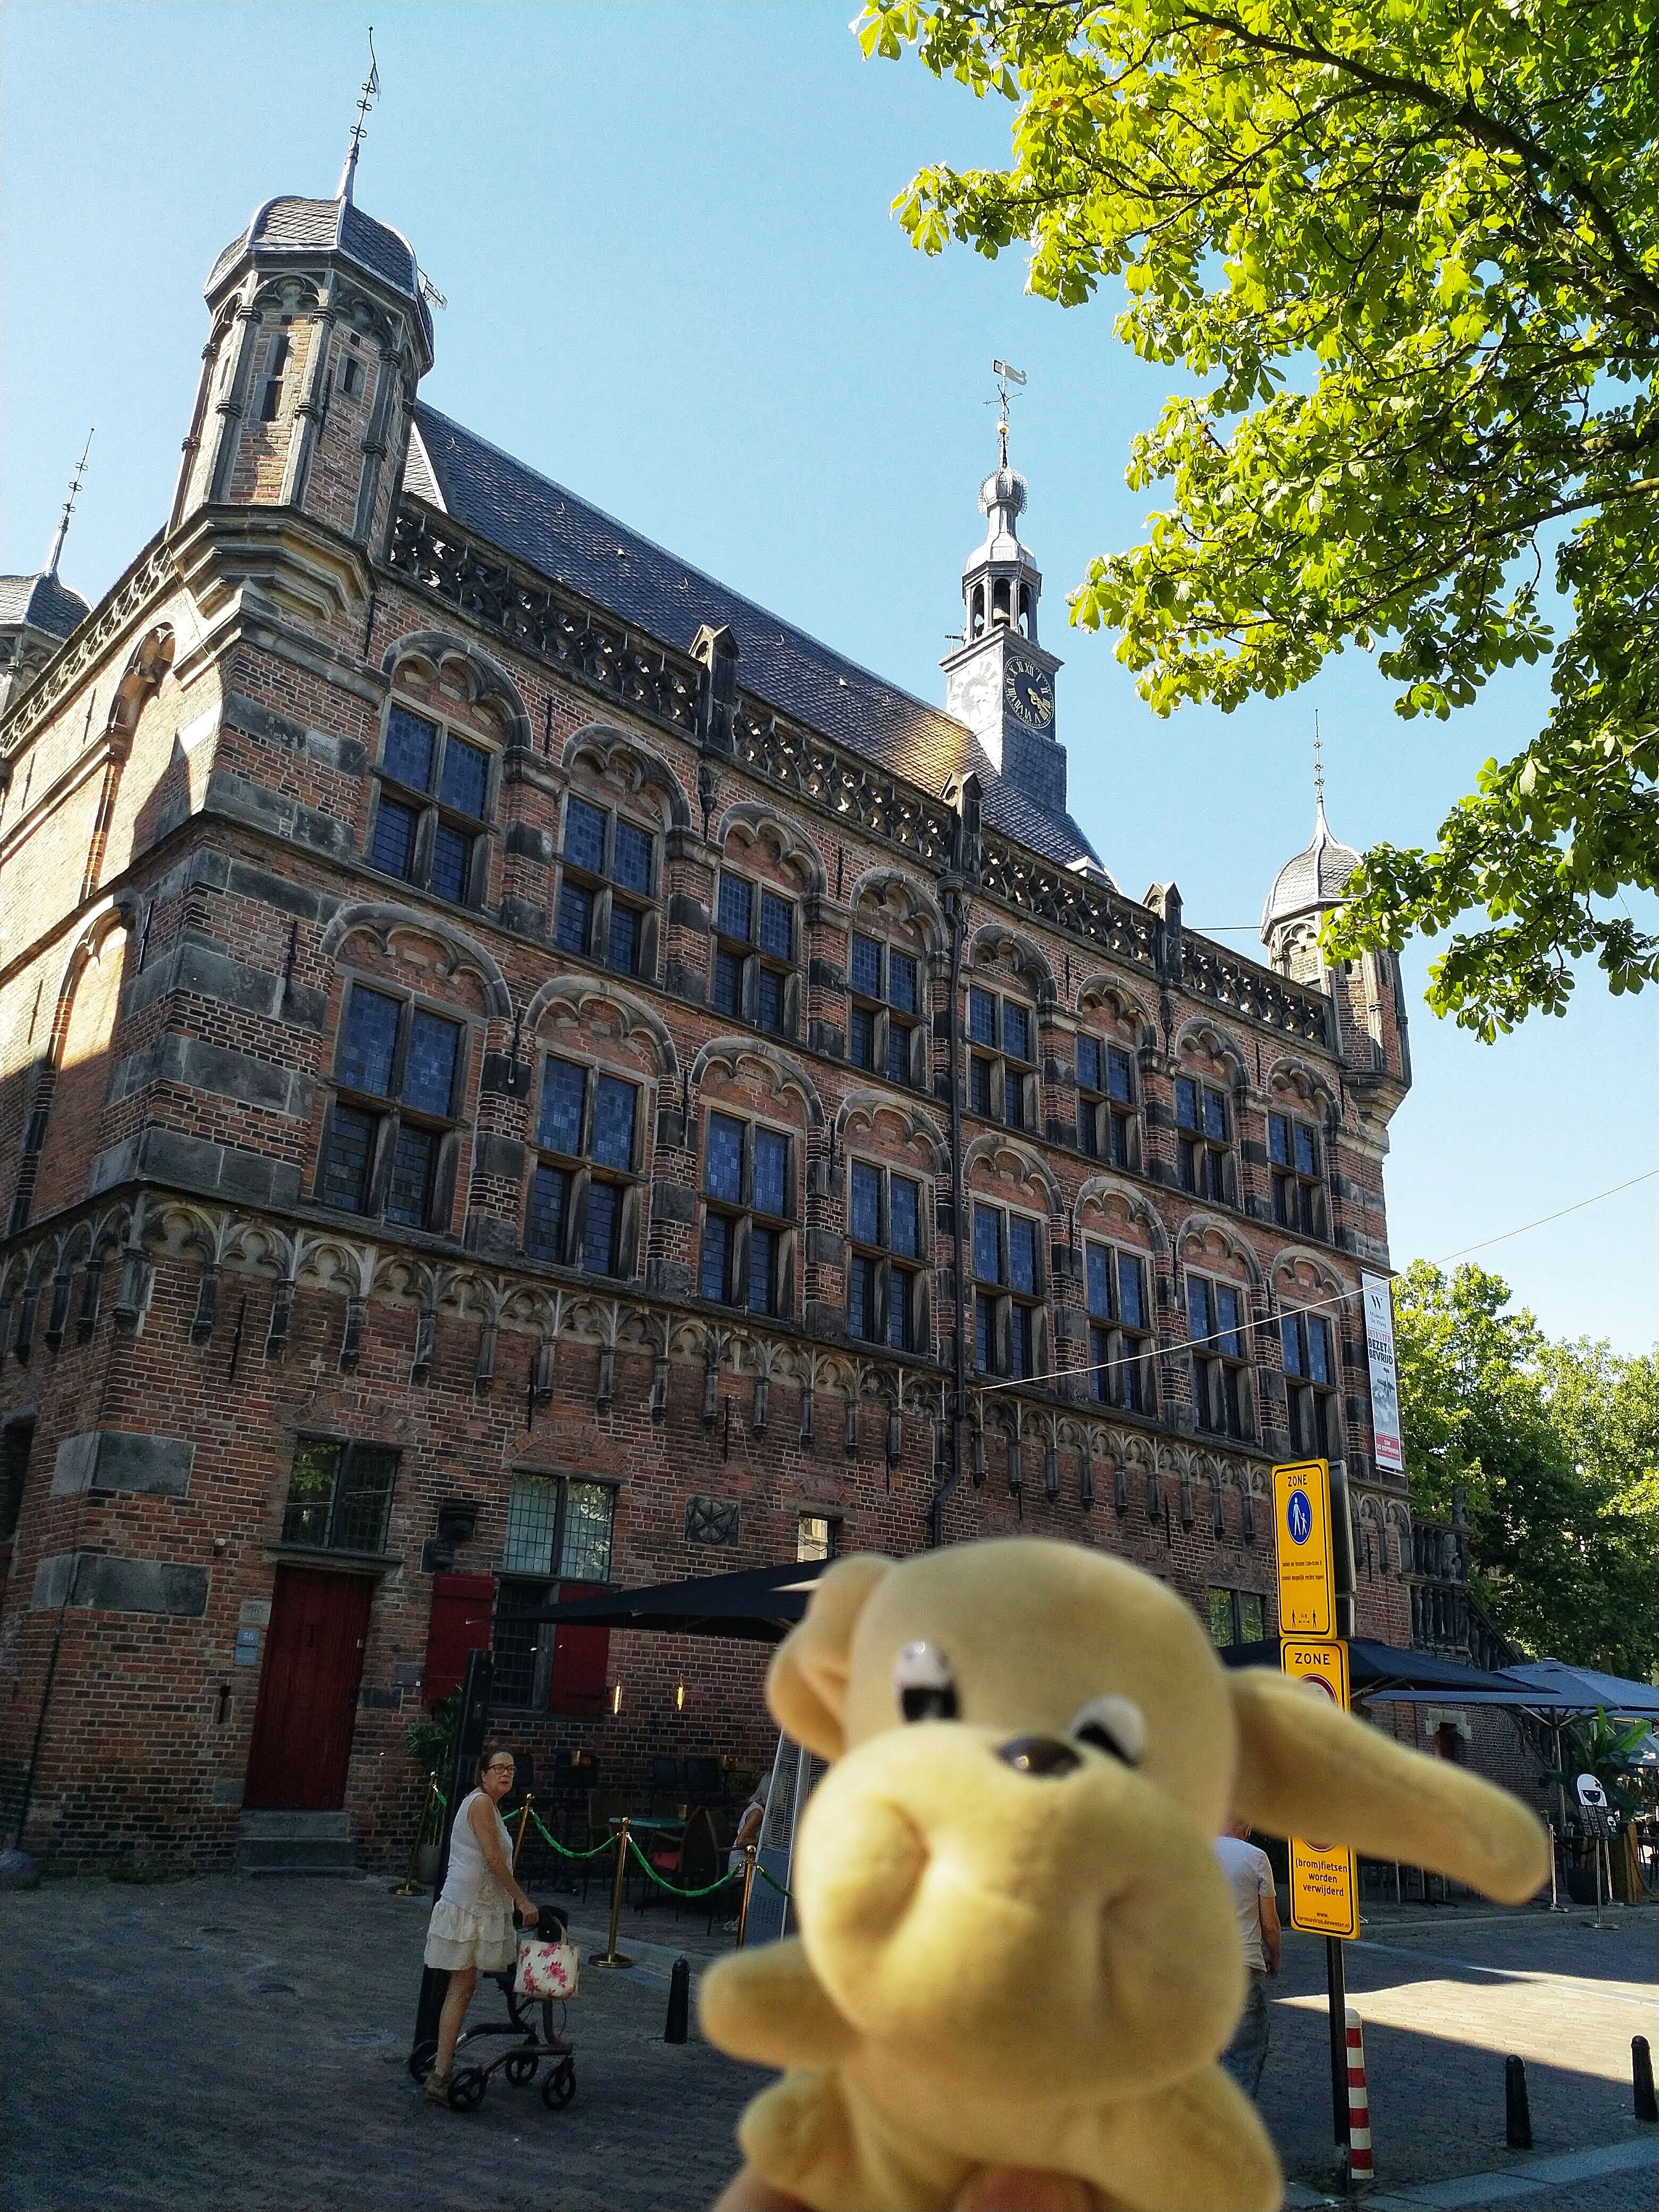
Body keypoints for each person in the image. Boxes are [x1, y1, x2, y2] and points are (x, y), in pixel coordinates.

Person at [422, 1747, 539, 2107]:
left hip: (475, 1904)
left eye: (512, 1770)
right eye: (499, 1768)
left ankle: (441, 2066)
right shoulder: (481, 1804)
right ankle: (441, 2073)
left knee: (464, 1986)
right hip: (468, 1906)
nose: (506, 1774)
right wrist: (522, 1900)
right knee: (461, 1987)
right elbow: (493, 1858)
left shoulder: (490, 1805)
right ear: (484, 1774)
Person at [1213, 1816, 1280, 2098]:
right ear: (1248, 1829)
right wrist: (1275, 1957)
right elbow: (1270, 1925)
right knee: (1244, 2052)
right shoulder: (1256, 1858)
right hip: (1242, 1965)